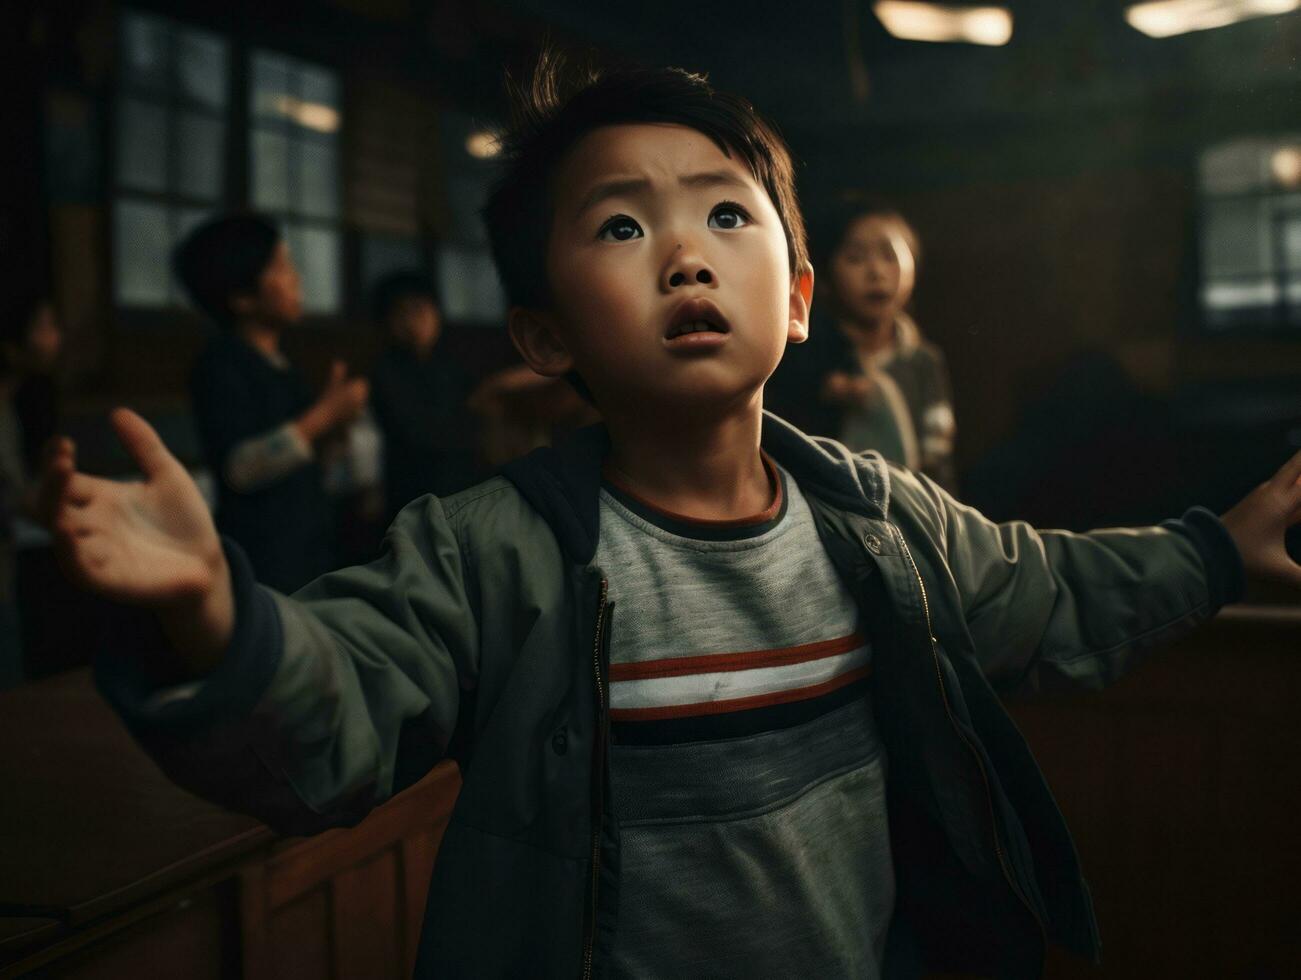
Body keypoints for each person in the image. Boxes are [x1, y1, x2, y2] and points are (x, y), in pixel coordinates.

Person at [36, 61, 1301, 979]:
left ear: (794, 298)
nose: (683, 255)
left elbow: (1050, 590)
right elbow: (344, 697)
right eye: (622, 224)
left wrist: (1210, 550)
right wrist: (217, 621)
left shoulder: (874, 521)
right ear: (541, 334)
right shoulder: (491, 550)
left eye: (725, 213)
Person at [176, 214, 368, 594]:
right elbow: (241, 468)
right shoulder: (221, 364)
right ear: (242, 298)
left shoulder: (286, 367)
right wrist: (326, 413)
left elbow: (308, 459)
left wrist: (338, 426)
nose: (295, 277)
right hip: (262, 561)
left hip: (307, 549)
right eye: (280, 267)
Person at [769, 204, 958, 491]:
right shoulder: (804, 353)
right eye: (856, 258)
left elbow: (937, 451)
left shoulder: (923, 360)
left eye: (889, 255)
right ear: (825, 276)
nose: (876, 272)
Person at [368, 271, 475, 521]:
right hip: (410, 498)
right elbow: (416, 435)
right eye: (402, 312)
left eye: (421, 308)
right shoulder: (384, 372)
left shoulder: (452, 365)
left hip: (460, 491)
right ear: (387, 321)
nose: (414, 320)